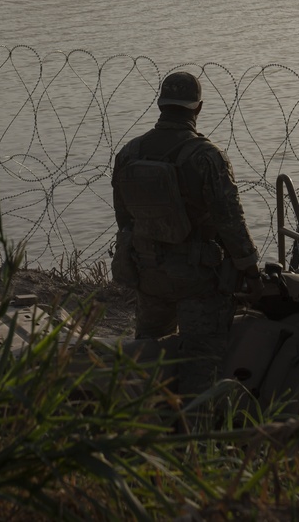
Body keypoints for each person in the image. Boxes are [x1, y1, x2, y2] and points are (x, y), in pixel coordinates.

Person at [111, 71, 261, 395]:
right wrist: (251, 270)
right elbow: (231, 223)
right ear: (198, 108)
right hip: (199, 281)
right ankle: (196, 436)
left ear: (161, 105)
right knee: (201, 362)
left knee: (148, 355)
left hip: (148, 273)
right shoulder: (207, 157)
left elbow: (124, 219)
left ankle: (144, 425)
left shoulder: (129, 153)